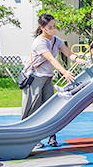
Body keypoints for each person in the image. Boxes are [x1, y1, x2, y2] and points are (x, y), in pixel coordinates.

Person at [21, 13, 86, 149]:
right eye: (51, 27)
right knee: (33, 109)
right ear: (43, 28)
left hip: (47, 78)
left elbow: (68, 53)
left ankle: (52, 137)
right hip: (36, 78)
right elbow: (51, 59)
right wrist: (65, 72)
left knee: (50, 107)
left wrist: (77, 59)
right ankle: (31, 138)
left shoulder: (56, 40)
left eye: (55, 26)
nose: (54, 29)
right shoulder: (39, 42)